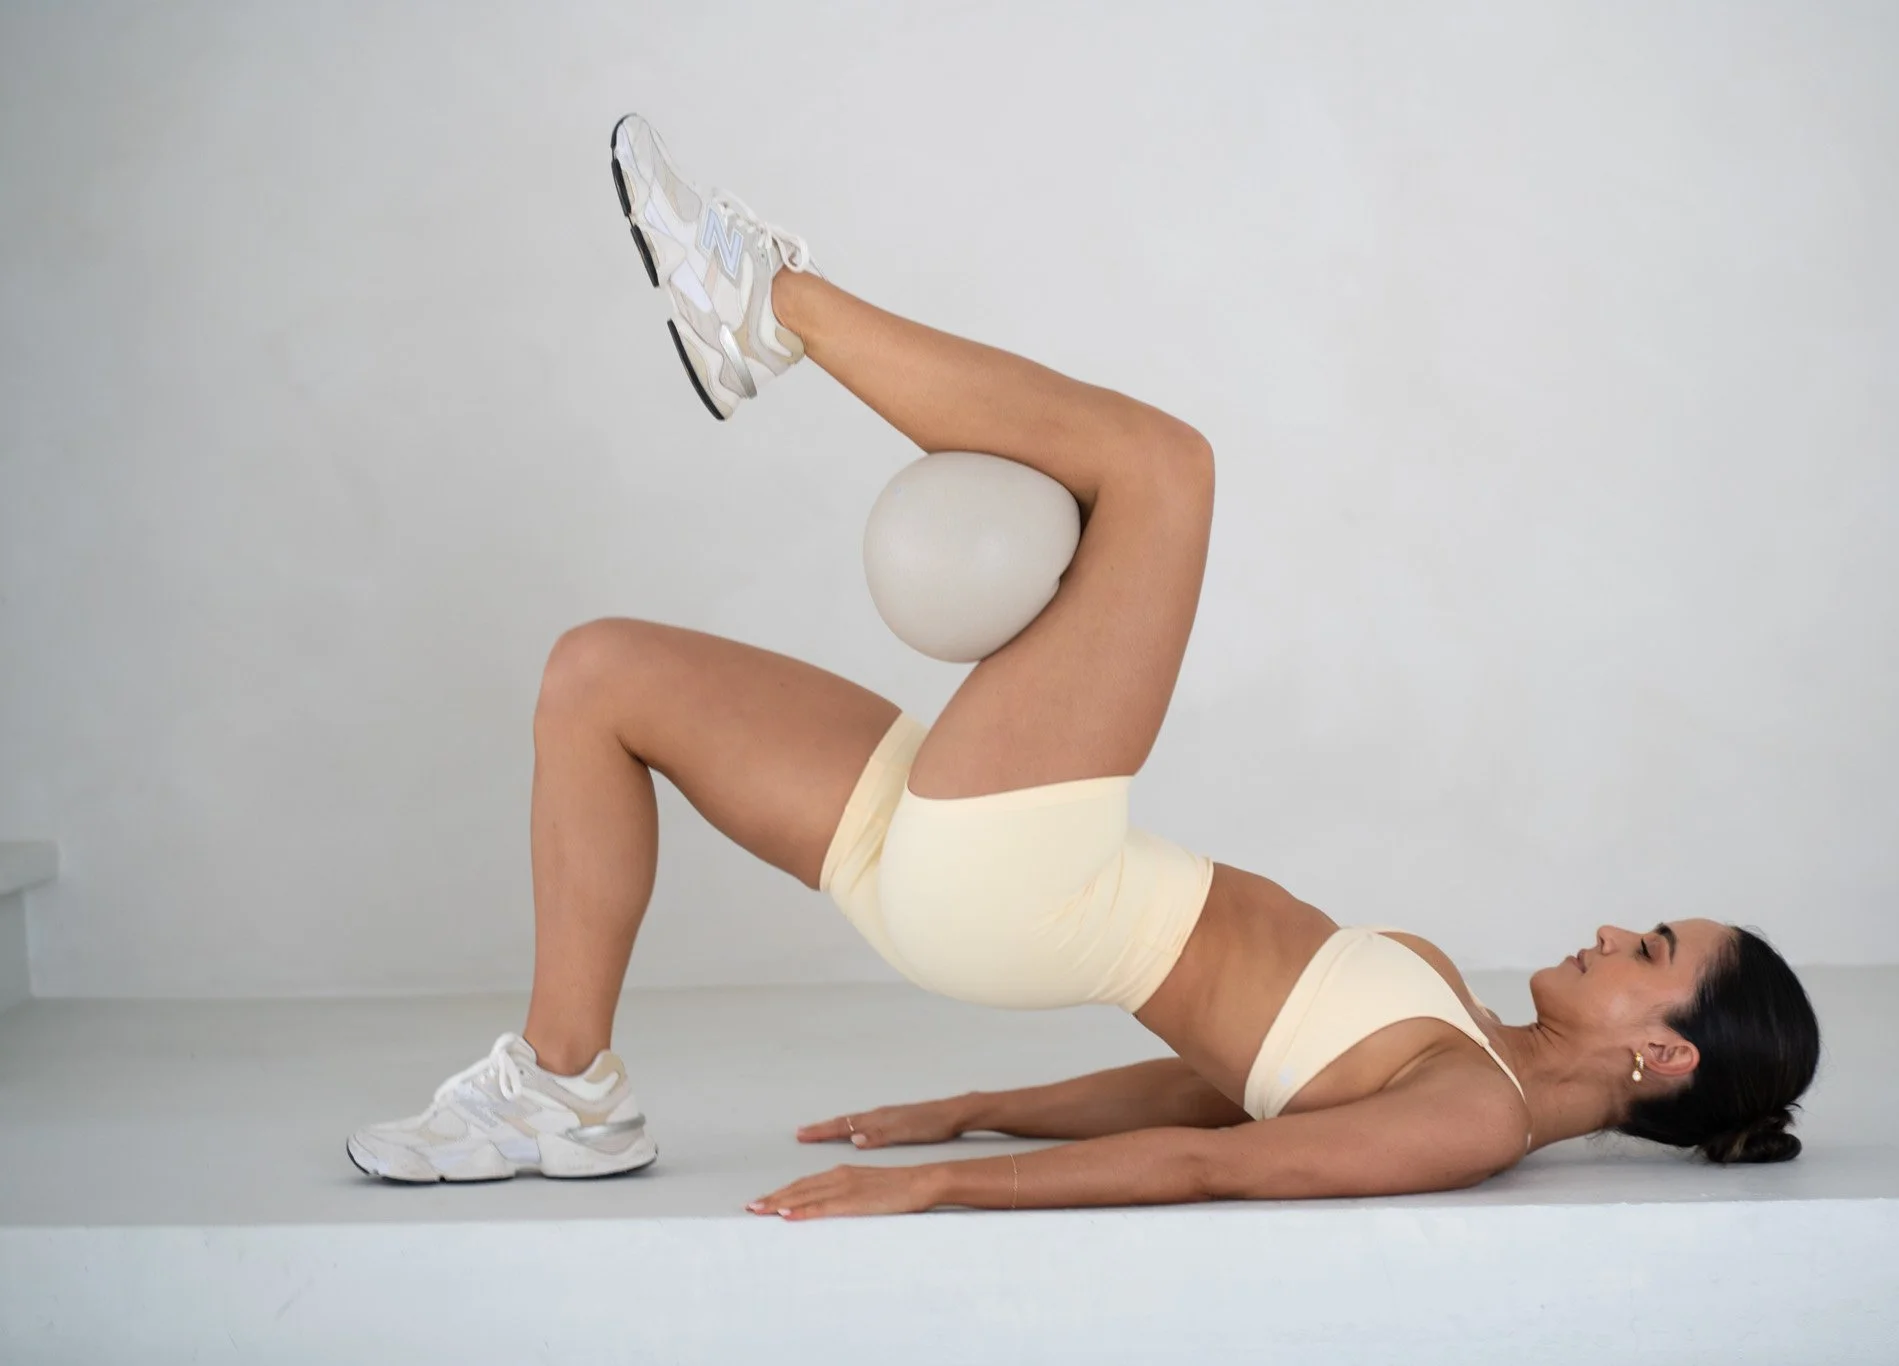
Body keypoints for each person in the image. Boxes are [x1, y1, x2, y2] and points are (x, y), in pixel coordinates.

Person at [346, 114, 1821, 1216]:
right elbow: (1216, 1082)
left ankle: (769, 305)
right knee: (599, 674)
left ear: (1671, 1059)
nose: (1619, 930)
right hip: (987, 868)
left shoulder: (1476, 1116)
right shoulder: (1466, 1027)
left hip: (1030, 884)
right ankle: (562, 1086)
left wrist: (940, 1194)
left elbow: (1210, 1166)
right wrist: (983, 1108)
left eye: (1652, 956)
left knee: (1163, 470)